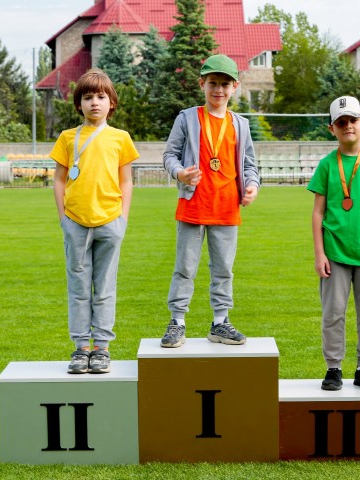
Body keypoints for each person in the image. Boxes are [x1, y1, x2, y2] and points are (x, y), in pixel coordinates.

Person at [160, 54, 260, 348]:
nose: (219, 90)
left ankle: (220, 322)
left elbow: (250, 165)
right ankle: (177, 321)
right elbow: (169, 156)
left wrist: (252, 185)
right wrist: (180, 174)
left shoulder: (240, 124)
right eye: (213, 83)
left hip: (227, 208)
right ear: (202, 84)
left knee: (223, 270)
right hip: (193, 206)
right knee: (185, 268)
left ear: (235, 87)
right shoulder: (187, 118)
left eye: (225, 84)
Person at [50, 68, 139, 373]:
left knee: (104, 287)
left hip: (110, 222)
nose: (95, 103)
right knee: (78, 286)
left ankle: (101, 347)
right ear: (79, 104)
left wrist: (122, 219)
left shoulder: (120, 138)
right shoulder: (67, 138)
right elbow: (59, 180)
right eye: (88, 97)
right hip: (75, 222)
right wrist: (64, 218)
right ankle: (80, 348)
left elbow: (126, 181)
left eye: (101, 97)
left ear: (111, 102)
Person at [307, 96, 360, 391]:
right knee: (333, 313)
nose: (348, 127)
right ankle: (333, 368)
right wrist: (319, 254)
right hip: (335, 253)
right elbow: (318, 212)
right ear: (332, 128)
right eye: (341, 122)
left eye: (353, 121)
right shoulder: (327, 165)